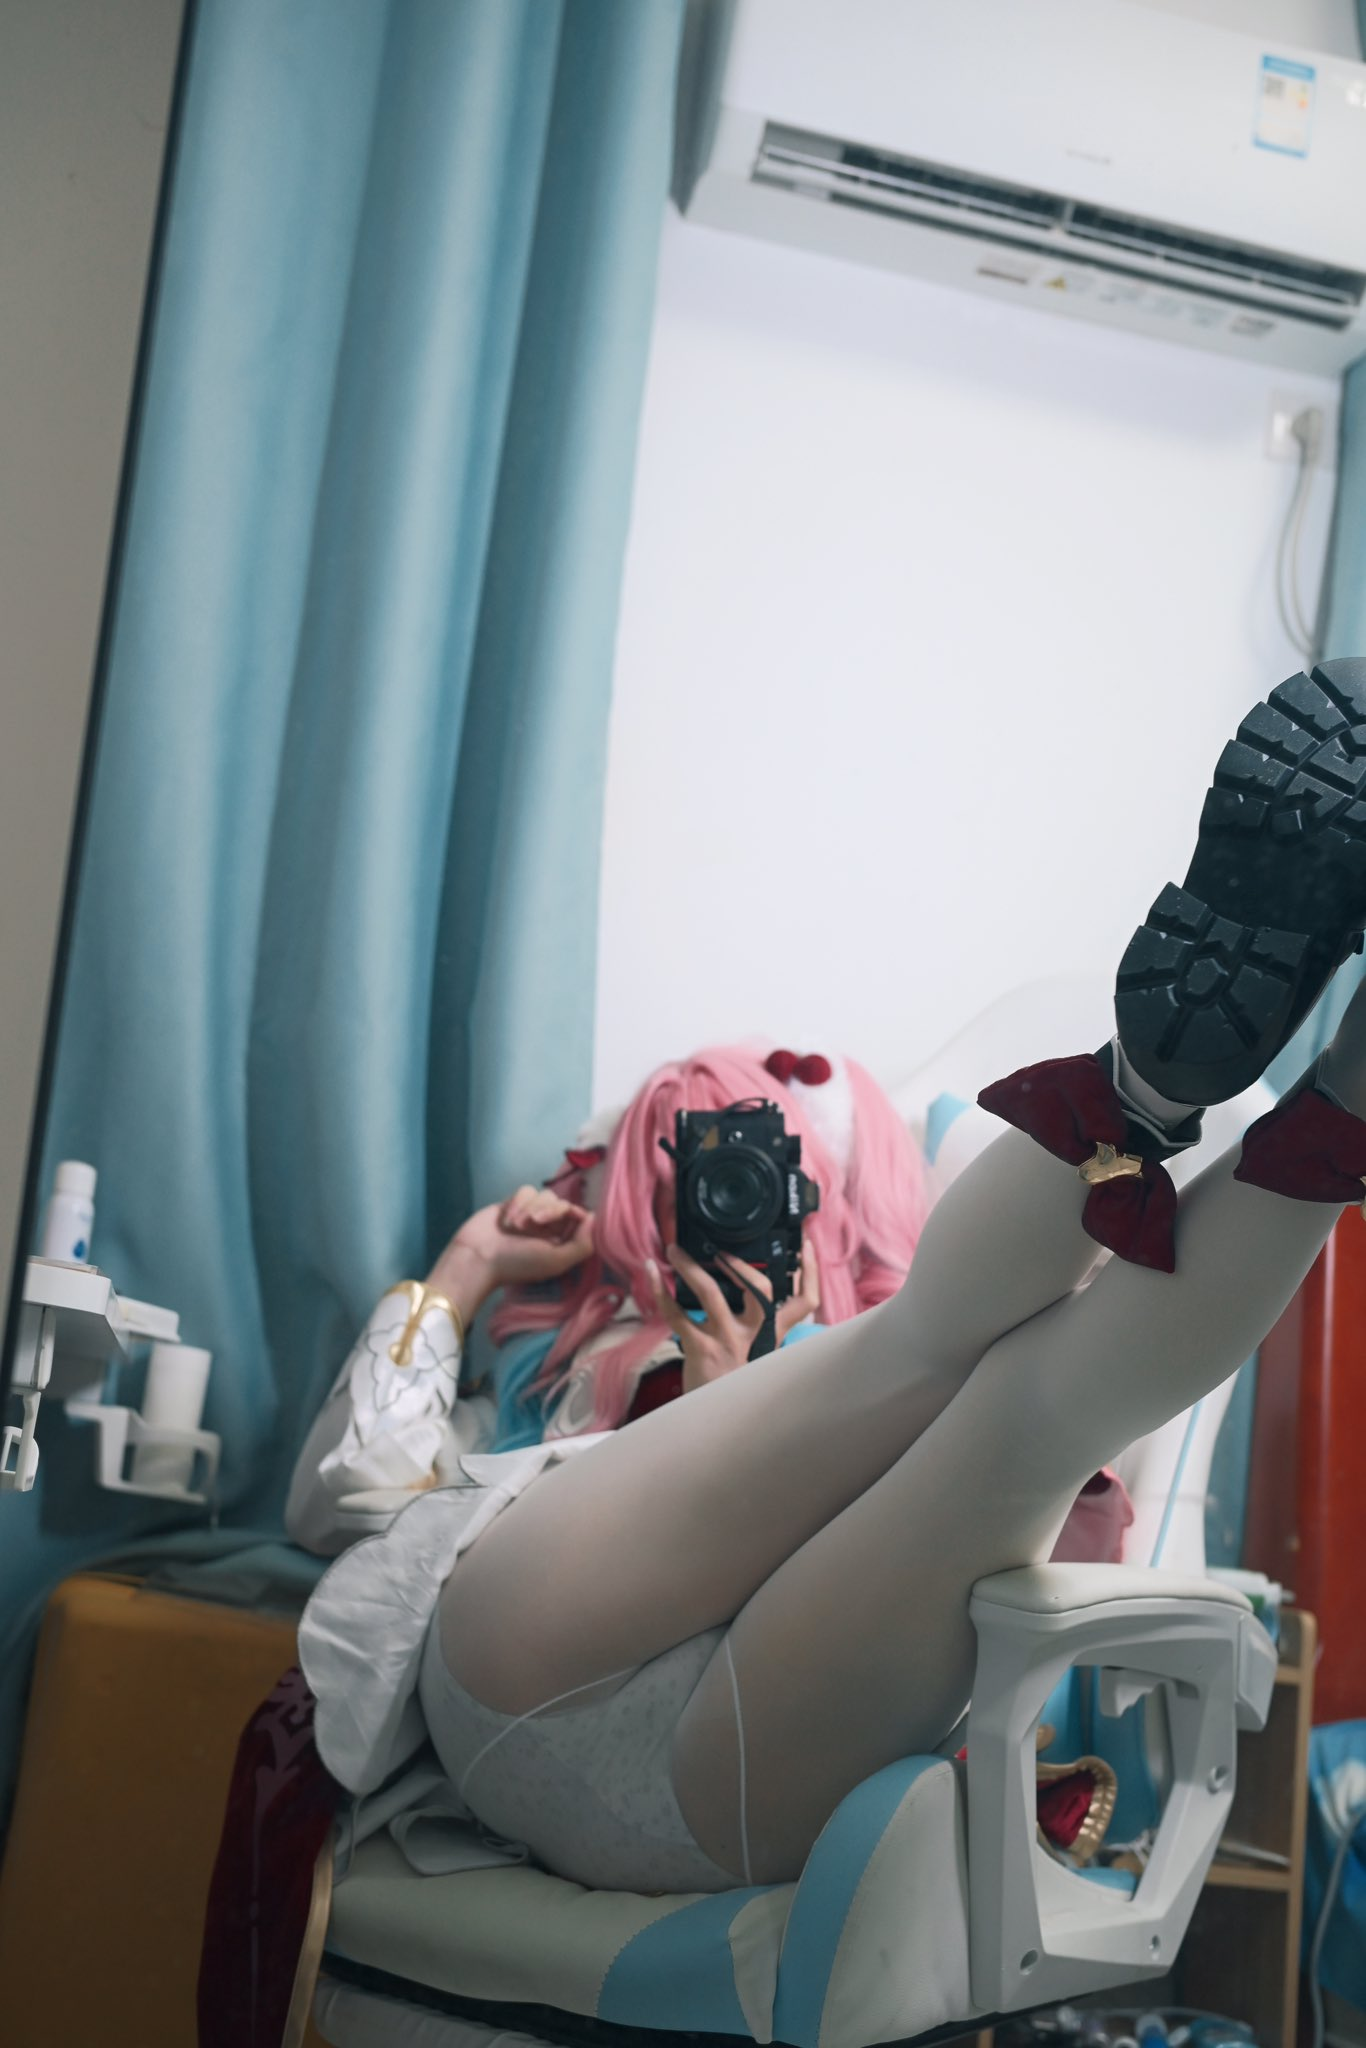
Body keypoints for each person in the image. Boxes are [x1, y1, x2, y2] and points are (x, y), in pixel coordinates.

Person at [298, 658, 1366, 1900]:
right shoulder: (546, 1344)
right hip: (567, 1684)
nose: (724, 1199)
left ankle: (1189, 1086)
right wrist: (467, 1269)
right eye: (686, 1163)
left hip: (657, 1727)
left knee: (966, 1370)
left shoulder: (890, 1310)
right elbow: (345, 1499)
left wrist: (758, 1367)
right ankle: (1210, 1088)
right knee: (1002, 1399)